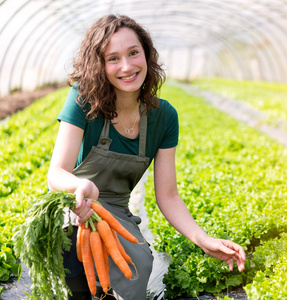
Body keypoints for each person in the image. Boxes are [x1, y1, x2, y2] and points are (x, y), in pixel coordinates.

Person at [47, 14, 246, 300]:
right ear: (99, 65)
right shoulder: (83, 99)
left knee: (138, 266)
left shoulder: (163, 116)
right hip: (73, 206)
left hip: (115, 210)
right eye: (112, 58)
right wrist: (79, 187)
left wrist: (203, 240)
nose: (127, 67)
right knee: (66, 240)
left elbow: (168, 195)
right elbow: (56, 174)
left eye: (133, 53)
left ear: (147, 55)